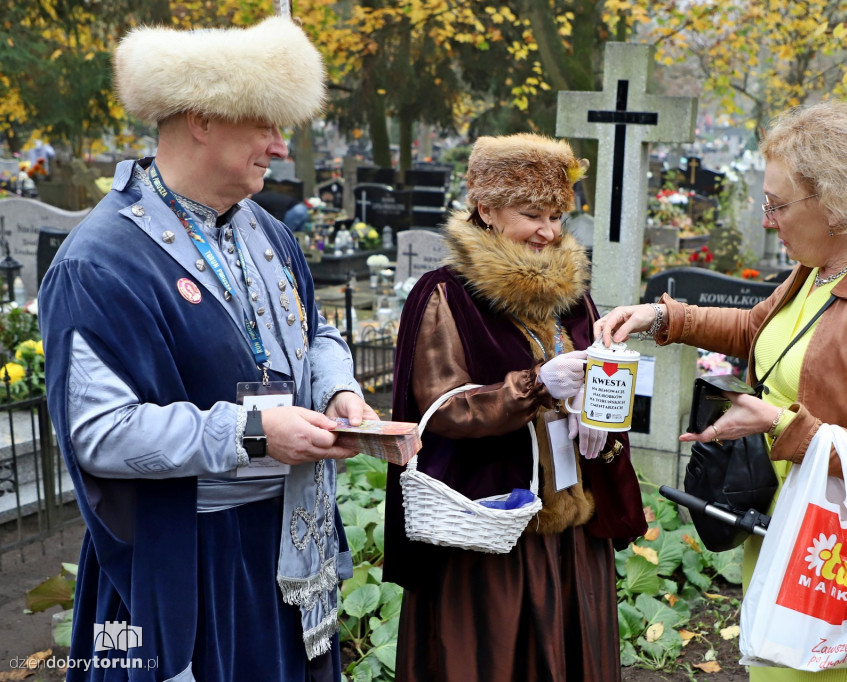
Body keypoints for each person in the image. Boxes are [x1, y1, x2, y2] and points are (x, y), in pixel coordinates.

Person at [38, 17, 377, 682]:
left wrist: (339, 388)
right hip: (191, 567)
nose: (281, 147)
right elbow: (98, 434)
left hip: (286, 554)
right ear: (201, 118)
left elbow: (317, 333)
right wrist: (254, 433)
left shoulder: (268, 231)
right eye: (266, 124)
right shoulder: (99, 262)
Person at [596, 101, 847, 682]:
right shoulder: (819, 270)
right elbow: (758, 331)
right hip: (782, 530)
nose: (769, 219)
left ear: (835, 204)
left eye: (778, 204)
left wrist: (780, 426)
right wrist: (660, 318)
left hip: (835, 556)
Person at [384, 133, 647, 681]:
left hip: (573, 527)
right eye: (531, 213)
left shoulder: (573, 292)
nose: (549, 231)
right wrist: (533, 386)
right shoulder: (445, 294)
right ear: (486, 208)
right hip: (493, 530)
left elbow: (596, 368)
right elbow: (445, 407)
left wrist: (593, 410)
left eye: (556, 214)